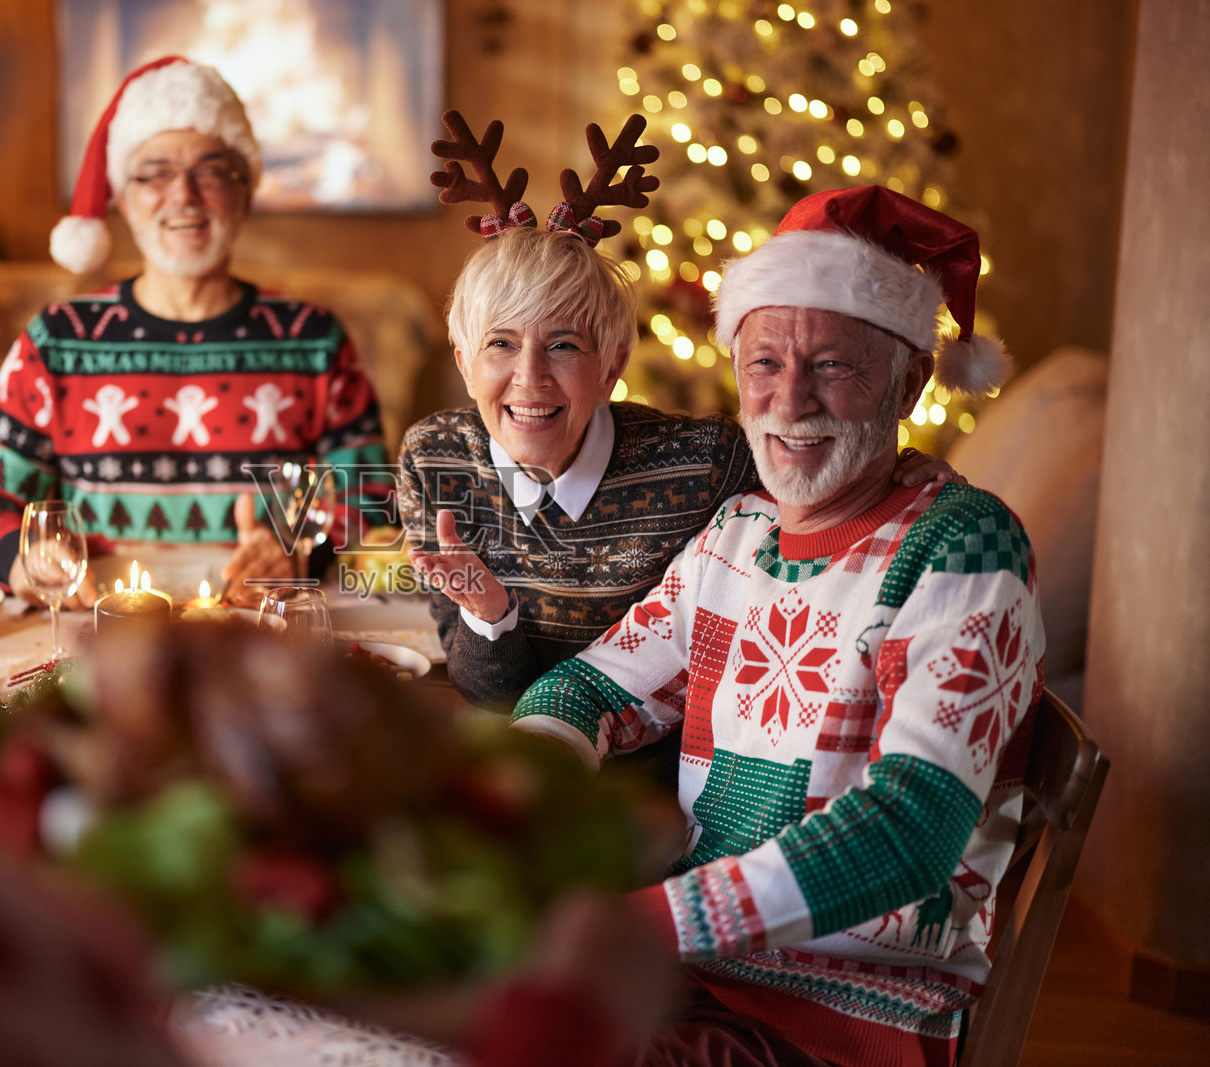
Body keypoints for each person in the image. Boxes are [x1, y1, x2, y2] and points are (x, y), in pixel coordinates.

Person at [510, 186, 1039, 1065]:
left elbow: (907, 831)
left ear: (909, 379)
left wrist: (643, 922)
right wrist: (520, 791)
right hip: (696, 965)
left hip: (851, 1008)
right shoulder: (738, 534)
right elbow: (591, 687)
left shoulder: (964, 547)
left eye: (832, 365)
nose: (790, 401)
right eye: (765, 364)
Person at [400, 113, 961, 709]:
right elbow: (484, 692)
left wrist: (903, 467)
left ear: (612, 367)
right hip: (530, 752)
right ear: (464, 362)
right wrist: (489, 615)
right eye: (500, 344)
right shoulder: (434, 460)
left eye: (564, 345)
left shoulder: (704, 461)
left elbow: (821, 465)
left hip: (662, 767)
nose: (530, 377)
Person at [0, 57, 388, 608]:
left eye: (210, 171)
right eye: (154, 173)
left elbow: (372, 495)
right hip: (97, 628)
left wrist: (302, 551)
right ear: (124, 200)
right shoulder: (56, 341)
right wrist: (22, 559)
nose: (183, 194)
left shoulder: (315, 339)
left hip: (259, 628)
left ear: (246, 193)